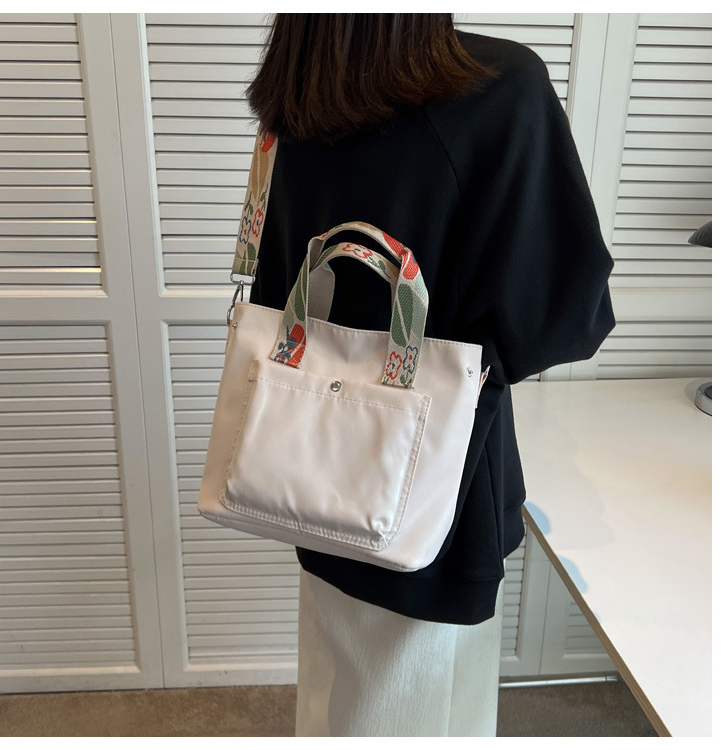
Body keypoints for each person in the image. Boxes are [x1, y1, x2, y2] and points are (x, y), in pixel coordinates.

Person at [243, 13, 616, 737]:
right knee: (420, 711)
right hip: (434, 491)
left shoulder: (303, 85)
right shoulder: (497, 87)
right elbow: (559, 316)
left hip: (312, 468)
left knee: (339, 695)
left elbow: (279, 285)